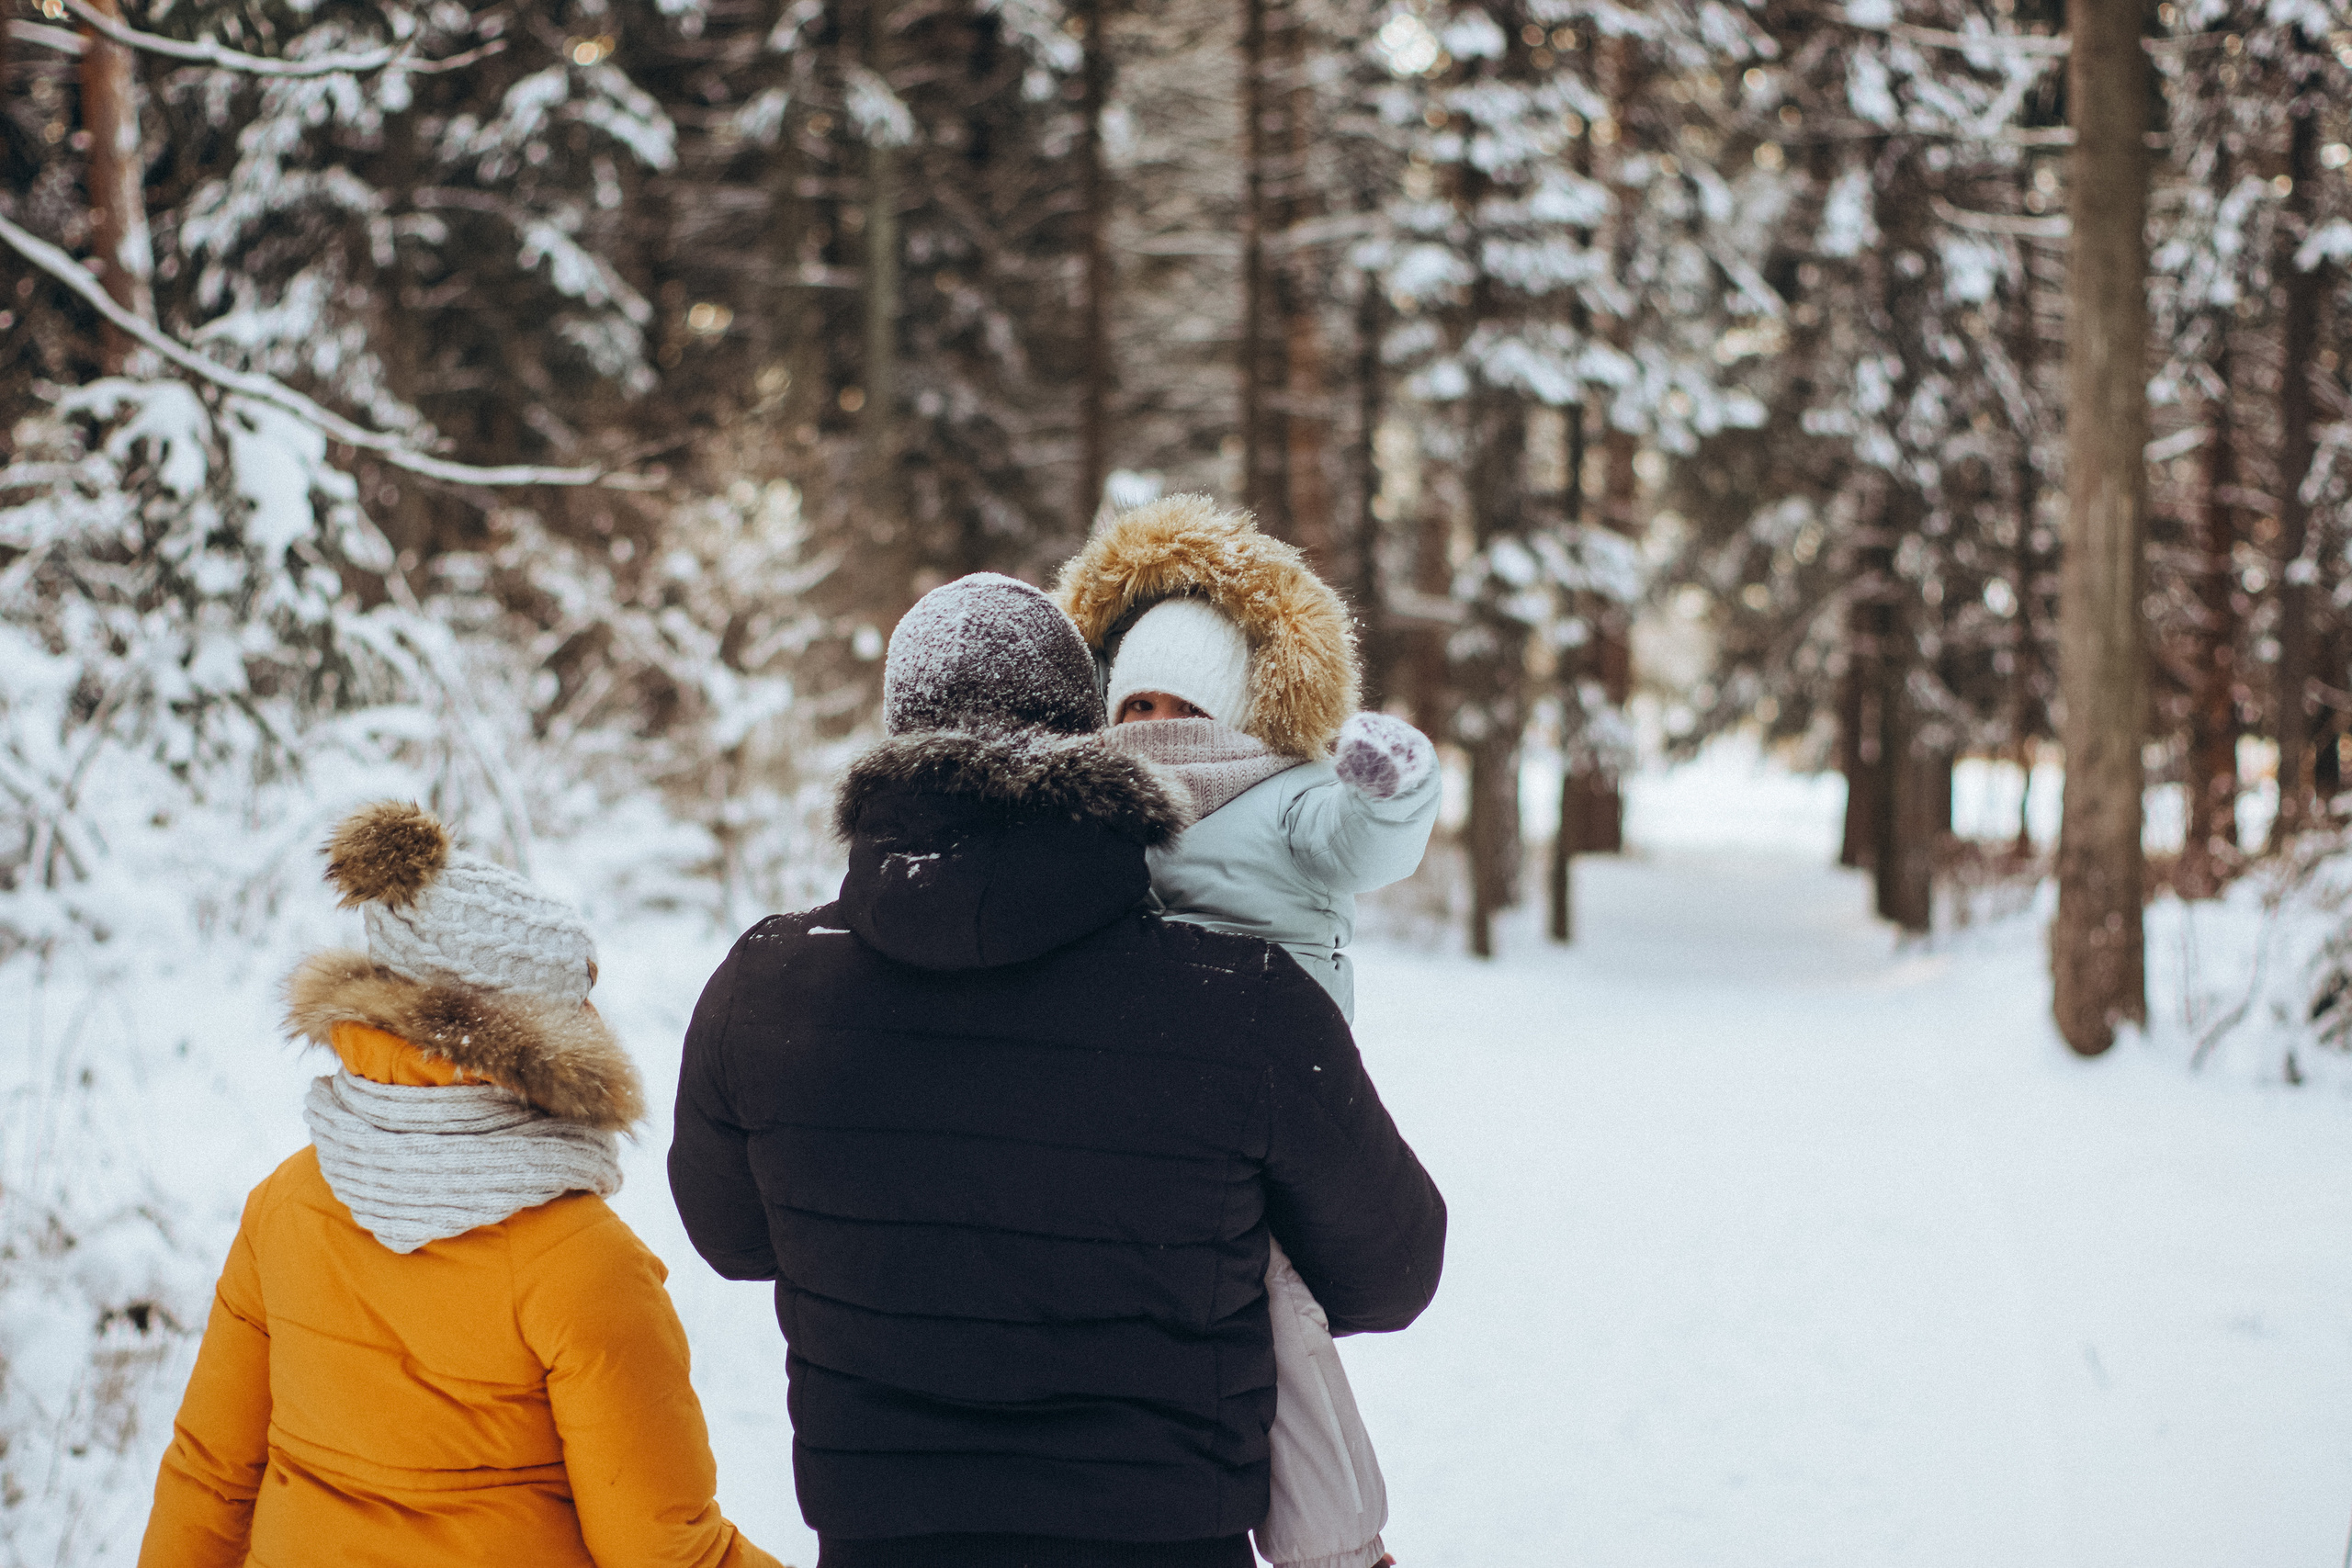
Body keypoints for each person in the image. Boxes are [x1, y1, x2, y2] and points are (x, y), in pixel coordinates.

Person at [668, 572, 1445, 1568]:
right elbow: (1392, 1269)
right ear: (1089, 735)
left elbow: (733, 1239)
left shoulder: (766, 989)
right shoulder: (1238, 997)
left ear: (898, 738)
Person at [140, 801, 777, 1568]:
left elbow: (209, 1475)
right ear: (548, 1043)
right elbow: (664, 1551)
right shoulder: (585, 1262)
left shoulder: (286, 1203)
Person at [1056, 497, 1442, 1568]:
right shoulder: (1099, 800)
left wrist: (1391, 789)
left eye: (1180, 702)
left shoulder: (1284, 798)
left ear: (1232, 705)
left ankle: (1338, 1547)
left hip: (1268, 1095)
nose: (1153, 723)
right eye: (1135, 702)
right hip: (1149, 1092)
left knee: (1275, 1313)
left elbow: (1362, 842)